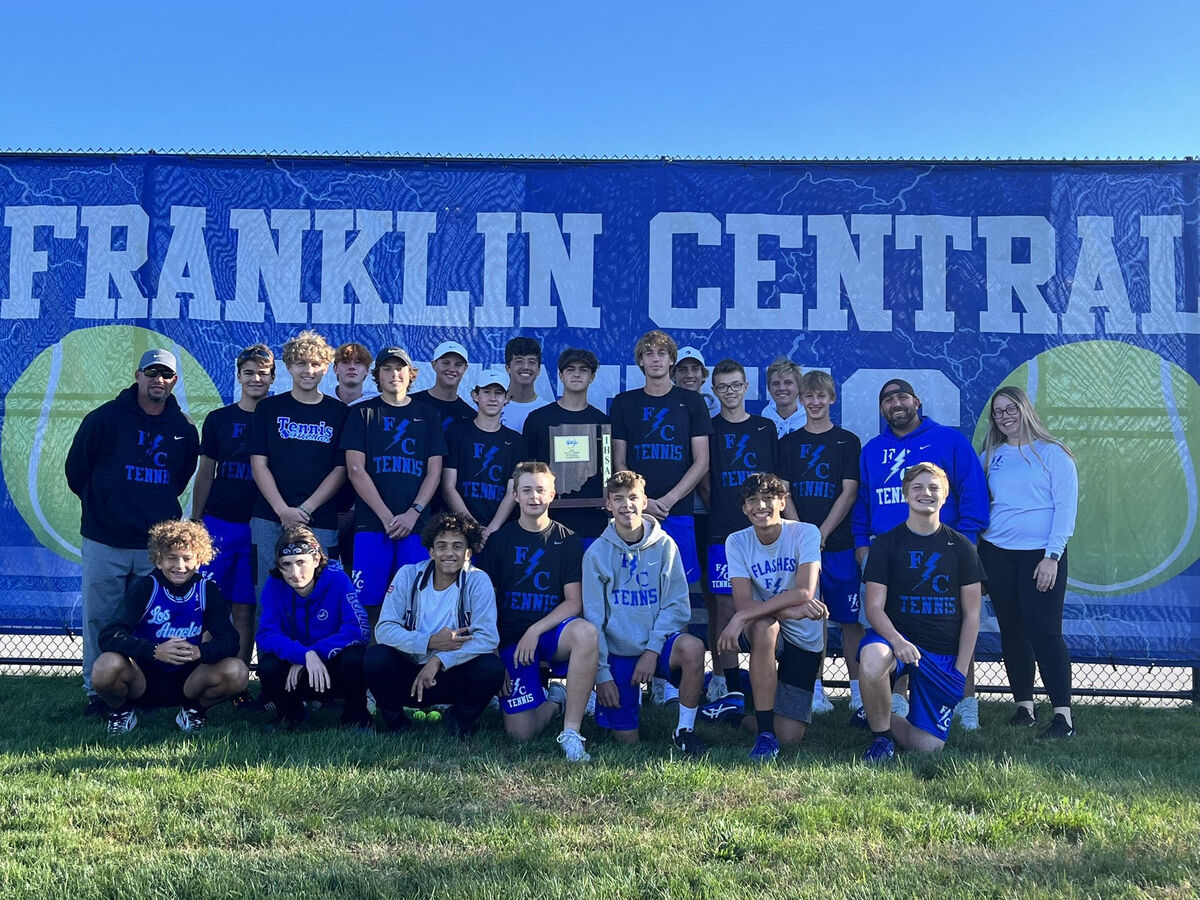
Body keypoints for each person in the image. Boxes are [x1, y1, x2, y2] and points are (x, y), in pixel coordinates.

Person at [66, 348, 200, 714]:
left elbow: (180, 477)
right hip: (104, 538)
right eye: (152, 372)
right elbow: (76, 471)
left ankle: (144, 690)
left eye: (167, 375)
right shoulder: (104, 419)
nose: (159, 380)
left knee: (148, 619)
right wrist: (104, 507)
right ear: (138, 375)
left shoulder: (184, 429)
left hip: (154, 546)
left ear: (174, 382)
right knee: (101, 618)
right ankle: (98, 691)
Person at [851, 377, 989, 729]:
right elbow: (863, 502)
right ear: (882, 409)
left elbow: (972, 490)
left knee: (953, 625)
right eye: (887, 400)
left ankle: (966, 702)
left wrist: (967, 544)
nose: (895, 403)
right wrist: (862, 546)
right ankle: (895, 700)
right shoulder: (872, 449)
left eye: (902, 397)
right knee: (893, 623)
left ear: (917, 402)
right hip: (890, 556)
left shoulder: (949, 440)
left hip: (943, 552)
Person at [858, 462, 984, 761]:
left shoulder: (962, 546)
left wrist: (959, 671)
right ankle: (881, 738)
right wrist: (898, 642)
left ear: (945, 496)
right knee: (873, 660)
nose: (925, 493)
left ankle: (878, 714)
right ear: (905, 494)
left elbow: (972, 616)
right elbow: (873, 608)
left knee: (927, 748)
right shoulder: (887, 544)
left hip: (941, 654)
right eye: (917, 487)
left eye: (933, 488)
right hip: (896, 643)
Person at [477, 461, 599, 762]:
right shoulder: (499, 541)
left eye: (540, 490)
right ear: (515, 495)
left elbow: (574, 602)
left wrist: (535, 630)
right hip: (510, 640)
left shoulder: (567, 539)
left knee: (586, 632)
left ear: (553, 494)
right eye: (527, 490)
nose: (534, 497)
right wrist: (492, 651)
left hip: (549, 634)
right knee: (521, 734)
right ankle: (556, 701)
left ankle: (571, 731)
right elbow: (485, 602)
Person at [583, 470, 709, 756]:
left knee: (693, 647)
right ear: (609, 505)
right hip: (618, 652)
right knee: (626, 742)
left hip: (658, 646)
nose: (627, 505)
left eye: (633, 497)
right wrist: (601, 674)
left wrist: (652, 650)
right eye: (619, 499)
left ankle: (684, 731)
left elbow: (678, 606)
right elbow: (594, 618)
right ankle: (610, 703)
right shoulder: (596, 553)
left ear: (644, 501)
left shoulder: (665, 546)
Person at [978, 386, 1079, 739]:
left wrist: (1052, 556)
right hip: (997, 554)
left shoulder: (1053, 454)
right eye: (998, 412)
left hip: (1041, 555)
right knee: (1013, 631)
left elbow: (1065, 510)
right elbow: (980, 506)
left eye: (1011, 409)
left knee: (1045, 632)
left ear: (1026, 410)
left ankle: (1062, 716)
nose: (1004, 417)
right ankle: (1024, 707)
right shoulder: (990, 455)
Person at [91, 519, 248, 734]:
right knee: (104, 667)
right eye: (171, 558)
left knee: (237, 671)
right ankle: (122, 712)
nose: (180, 566)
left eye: (187, 558)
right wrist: (154, 651)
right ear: (158, 560)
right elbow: (110, 635)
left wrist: (198, 651)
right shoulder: (146, 587)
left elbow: (230, 640)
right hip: (143, 678)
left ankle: (194, 711)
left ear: (200, 560)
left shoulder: (207, 590)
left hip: (190, 680)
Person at [716, 473, 827, 762]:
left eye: (768, 499)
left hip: (803, 636)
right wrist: (790, 610)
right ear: (744, 508)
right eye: (752, 500)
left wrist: (741, 617)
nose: (760, 506)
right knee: (765, 626)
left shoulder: (806, 532)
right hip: (766, 626)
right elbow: (743, 602)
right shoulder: (737, 541)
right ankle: (765, 735)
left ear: (782, 501)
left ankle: (733, 717)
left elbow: (804, 590)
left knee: (790, 736)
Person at [365, 513, 504, 737]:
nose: (449, 553)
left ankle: (458, 720)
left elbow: (487, 637)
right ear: (431, 551)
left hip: (452, 673)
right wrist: (429, 642)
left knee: (491, 668)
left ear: (468, 553)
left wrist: (439, 660)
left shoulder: (479, 581)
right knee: (375, 657)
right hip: (409, 670)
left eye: (457, 546)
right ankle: (397, 724)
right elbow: (384, 630)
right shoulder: (407, 575)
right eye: (441, 546)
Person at [192, 344, 275, 697]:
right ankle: (205, 678)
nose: (256, 379)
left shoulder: (278, 417)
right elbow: (205, 473)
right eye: (249, 373)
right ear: (239, 376)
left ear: (273, 378)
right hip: (219, 524)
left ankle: (238, 685)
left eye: (263, 373)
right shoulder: (218, 420)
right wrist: (196, 520)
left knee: (246, 608)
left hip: (259, 525)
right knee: (212, 605)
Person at [778, 370, 862, 716]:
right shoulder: (788, 443)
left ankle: (858, 692)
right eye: (808, 397)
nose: (814, 403)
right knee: (809, 617)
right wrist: (804, 534)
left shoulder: (847, 441)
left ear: (832, 400)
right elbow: (784, 492)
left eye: (821, 397)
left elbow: (849, 491)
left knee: (850, 618)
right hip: (801, 547)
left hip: (838, 543)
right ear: (801, 400)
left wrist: (822, 533)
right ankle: (814, 688)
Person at [342, 347, 445, 625]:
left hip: (416, 526)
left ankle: (407, 667)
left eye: (400, 368)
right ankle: (367, 666)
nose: (394, 374)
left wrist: (413, 512)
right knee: (366, 606)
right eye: (387, 368)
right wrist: (387, 516)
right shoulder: (363, 413)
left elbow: (434, 472)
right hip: (373, 526)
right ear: (377, 375)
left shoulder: (428, 415)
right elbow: (355, 469)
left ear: (410, 374)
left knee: (414, 604)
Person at [699, 359, 779, 705]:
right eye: (722, 387)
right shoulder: (709, 427)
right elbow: (704, 478)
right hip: (722, 530)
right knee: (724, 606)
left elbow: (774, 482)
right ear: (714, 392)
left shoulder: (765, 427)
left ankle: (772, 677)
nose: (730, 392)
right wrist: (721, 506)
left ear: (747, 387)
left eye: (735, 385)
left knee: (769, 603)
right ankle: (727, 682)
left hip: (763, 531)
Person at [249, 330, 350, 597]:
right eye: (301, 363)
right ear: (289, 366)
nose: (309, 370)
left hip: (320, 518)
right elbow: (259, 464)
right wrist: (283, 510)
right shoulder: (269, 409)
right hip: (270, 517)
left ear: (326, 368)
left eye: (316, 364)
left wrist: (305, 510)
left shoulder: (339, 412)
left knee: (320, 597)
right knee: (267, 596)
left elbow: (340, 469)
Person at [609, 330, 712, 583]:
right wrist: (642, 501)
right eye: (649, 354)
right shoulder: (624, 402)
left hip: (677, 511)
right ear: (640, 361)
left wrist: (668, 500)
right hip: (634, 512)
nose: (656, 359)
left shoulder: (692, 402)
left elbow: (702, 461)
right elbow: (619, 461)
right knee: (636, 587)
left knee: (678, 592)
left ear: (671, 360)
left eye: (662, 353)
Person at [256, 527, 370, 729]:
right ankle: (291, 716)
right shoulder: (274, 585)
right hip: (296, 669)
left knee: (356, 657)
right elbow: (267, 634)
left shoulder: (337, 578)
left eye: (301, 563)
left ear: (316, 559)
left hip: (331, 667)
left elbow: (358, 630)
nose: (294, 573)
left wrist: (314, 653)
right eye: (286, 565)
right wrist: (303, 655)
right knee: (268, 666)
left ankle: (356, 718)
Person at [522, 347, 612, 541]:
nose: (577, 374)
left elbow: (609, 472)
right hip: (547, 522)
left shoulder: (603, 423)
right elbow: (525, 472)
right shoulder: (538, 419)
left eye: (583, 370)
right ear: (561, 376)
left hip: (592, 522)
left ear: (592, 377)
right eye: (570, 369)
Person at [442, 368, 525, 544]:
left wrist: (491, 530)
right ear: (475, 395)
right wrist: (473, 528)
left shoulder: (516, 441)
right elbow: (448, 487)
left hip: (498, 534)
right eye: (486, 392)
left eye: (498, 393)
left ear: (507, 398)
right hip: (459, 531)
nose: (493, 398)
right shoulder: (457, 432)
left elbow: (513, 492)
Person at [411, 340, 475, 433]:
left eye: (458, 364)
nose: (452, 369)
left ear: (465, 369)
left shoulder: (470, 415)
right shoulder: (412, 403)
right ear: (434, 365)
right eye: (446, 363)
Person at [499, 336, 546, 432]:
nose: (526, 367)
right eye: (519, 361)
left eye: (531, 362)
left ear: (538, 370)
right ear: (507, 367)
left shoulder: (547, 411)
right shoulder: (490, 408)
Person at [762, 356, 806, 438]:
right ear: (769, 388)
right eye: (776, 383)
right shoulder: (763, 421)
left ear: (799, 387)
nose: (781, 388)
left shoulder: (810, 420)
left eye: (788, 382)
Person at [672, 346, 719, 415]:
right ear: (673, 376)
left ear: (703, 374)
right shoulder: (666, 409)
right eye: (682, 370)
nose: (689, 375)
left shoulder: (717, 411)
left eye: (695, 369)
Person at [332, 342, 377, 406]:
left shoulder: (374, 406)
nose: (352, 367)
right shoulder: (323, 402)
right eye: (345, 362)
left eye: (358, 362)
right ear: (335, 369)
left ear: (367, 370)